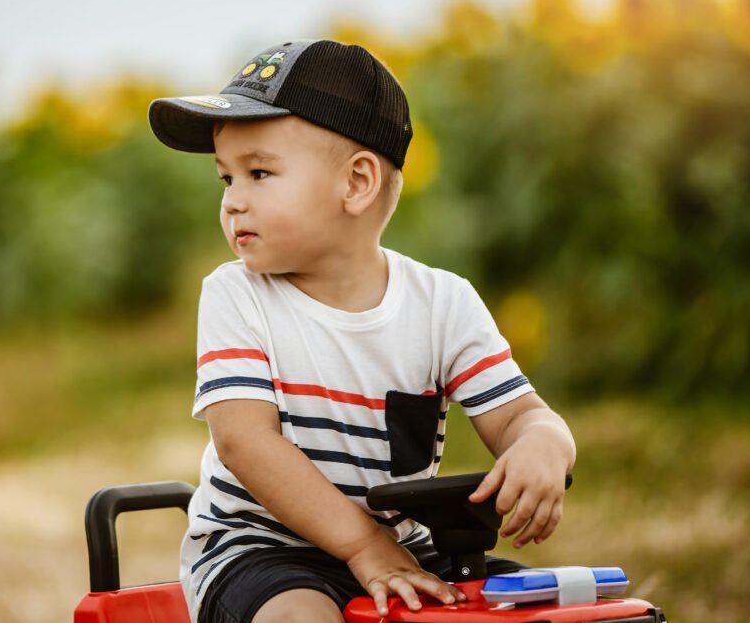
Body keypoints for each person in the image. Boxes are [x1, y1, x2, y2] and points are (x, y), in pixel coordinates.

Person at [147, 39, 576, 623]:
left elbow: (520, 415)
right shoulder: (235, 294)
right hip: (262, 553)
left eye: (259, 173)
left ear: (356, 183)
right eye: (226, 179)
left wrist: (545, 445)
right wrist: (361, 545)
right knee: (300, 618)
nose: (233, 203)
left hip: (406, 549)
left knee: (541, 607)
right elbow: (244, 442)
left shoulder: (442, 303)